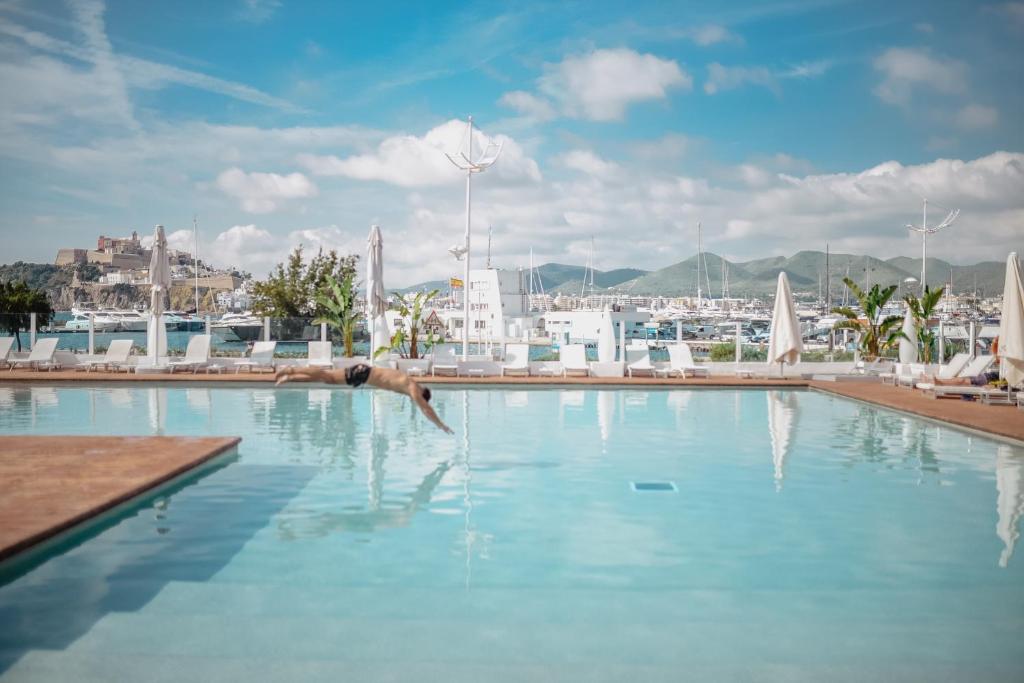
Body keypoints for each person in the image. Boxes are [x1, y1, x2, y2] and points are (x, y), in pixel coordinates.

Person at [274, 363, 453, 434]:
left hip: (363, 373)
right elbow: (426, 409)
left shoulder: (409, 383)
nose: (416, 400)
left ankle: (290, 377)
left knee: (326, 379)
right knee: (326, 376)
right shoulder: (413, 387)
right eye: (419, 399)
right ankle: (291, 370)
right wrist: (441, 425)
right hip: (363, 373)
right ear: (423, 394)